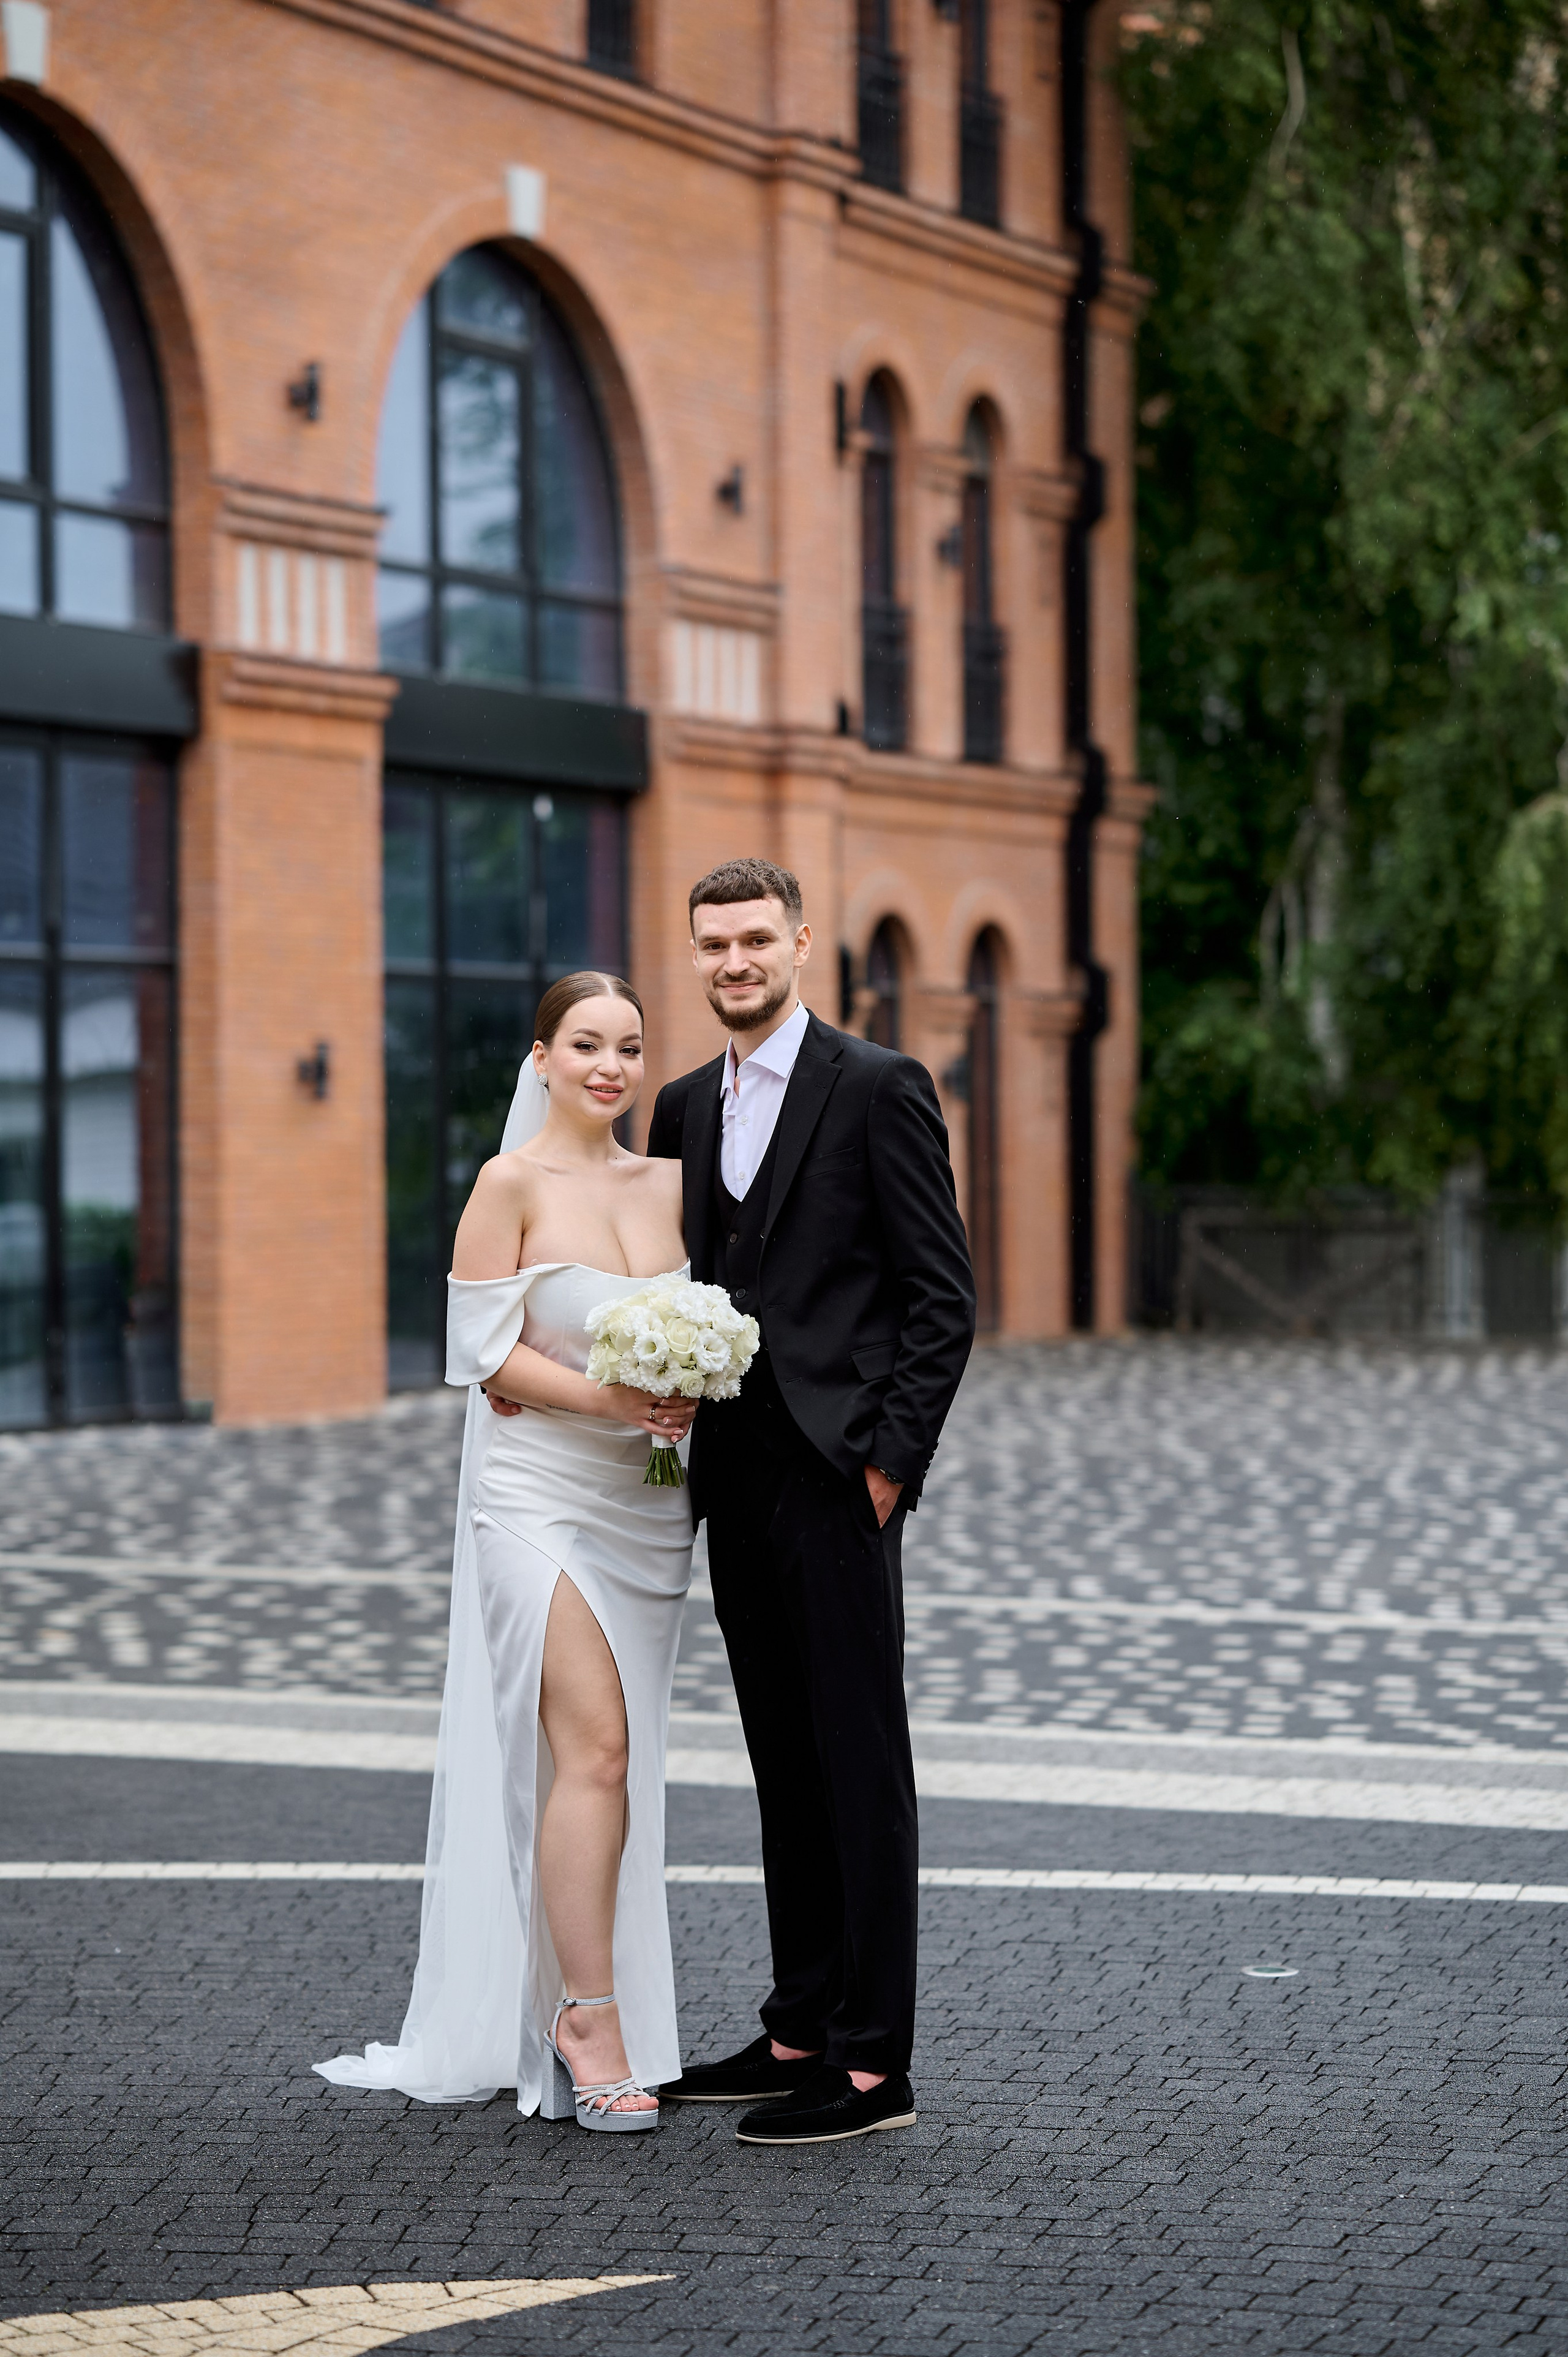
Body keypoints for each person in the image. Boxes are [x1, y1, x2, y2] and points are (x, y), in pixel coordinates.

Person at [316, 971, 696, 2133]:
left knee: (619, 1764)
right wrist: (612, 1398)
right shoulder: (509, 1183)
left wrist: (689, 1388)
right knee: (596, 1749)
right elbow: (481, 1353)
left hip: (647, 1505)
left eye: (630, 1047)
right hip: (535, 1501)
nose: (610, 1066)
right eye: (586, 1043)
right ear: (542, 1056)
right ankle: (588, 2018)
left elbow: (712, 1322)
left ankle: (600, 1992)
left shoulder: (673, 1183)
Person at [646, 858, 976, 2144]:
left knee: (856, 1761)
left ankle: (869, 2066)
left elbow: (938, 1294)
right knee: (781, 1760)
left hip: (840, 1478)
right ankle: (795, 2024)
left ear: (798, 941)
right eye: (712, 944)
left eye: (753, 940)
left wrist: (888, 1464)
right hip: (731, 1478)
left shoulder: (878, 1087)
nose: (733, 962)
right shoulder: (681, 1105)